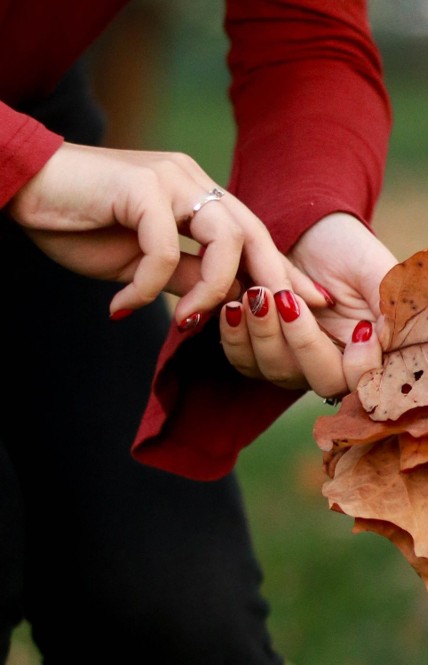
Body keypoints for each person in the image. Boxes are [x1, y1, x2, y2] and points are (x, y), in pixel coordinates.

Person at [0, 1, 398, 662]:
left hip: (30, 111)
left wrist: (312, 217)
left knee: (173, 601)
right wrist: (27, 167)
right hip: (35, 161)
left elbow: (304, 31)